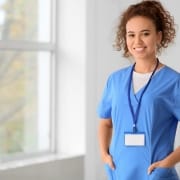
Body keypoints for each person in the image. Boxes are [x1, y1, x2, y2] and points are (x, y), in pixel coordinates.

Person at [97, 0, 180, 179]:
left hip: (155, 175)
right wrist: (105, 156)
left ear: (158, 36)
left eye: (145, 34)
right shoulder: (115, 80)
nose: (137, 41)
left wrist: (168, 163)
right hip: (120, 172)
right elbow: (105, 122)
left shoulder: (173, 82)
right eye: (131, 35)